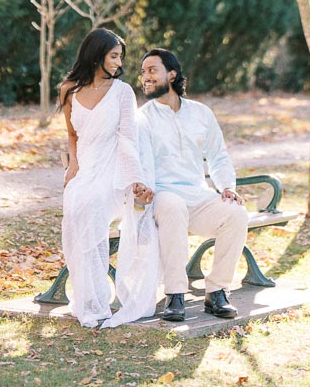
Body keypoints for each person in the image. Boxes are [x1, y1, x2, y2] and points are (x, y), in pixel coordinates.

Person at [136, 47, 248, 322]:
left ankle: (217, 291)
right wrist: (144, 188)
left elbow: (218, 156)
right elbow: (142, 161)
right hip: (162, 196)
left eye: (152, 70)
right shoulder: (143, 117)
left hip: (198, 196)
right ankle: (175, 294)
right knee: (172, 205)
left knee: (236, 213)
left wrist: (227, 187)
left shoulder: (201, 113)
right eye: (143, 72)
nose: (145, 77)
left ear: (171, 74)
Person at [59, 28, 158, 328]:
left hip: (114, 174)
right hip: (85, 168)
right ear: (96, 54)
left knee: (91, 205)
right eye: (114, 56)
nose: (118, 63)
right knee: (76, 205)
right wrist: (73, 163)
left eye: (120, 57)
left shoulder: (123, 92)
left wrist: (135, 178)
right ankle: (88, 299)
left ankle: (96, 302)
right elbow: (72, 134)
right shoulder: (68, 90)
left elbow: (128, 138)